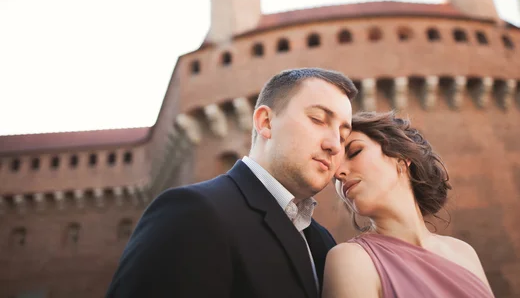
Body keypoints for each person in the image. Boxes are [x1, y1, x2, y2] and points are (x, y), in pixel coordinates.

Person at [105, 68, 356, 298]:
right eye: (318, 119)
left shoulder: (323, 241)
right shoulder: (192, 213)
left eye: (343, 136)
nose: (334, 144)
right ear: (266, 122)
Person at [323, 112, 494, 298]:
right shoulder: (351, 260)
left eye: (355, 152)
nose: (338, 173)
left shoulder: (464, 253)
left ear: (401, 159)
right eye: (334, 170)